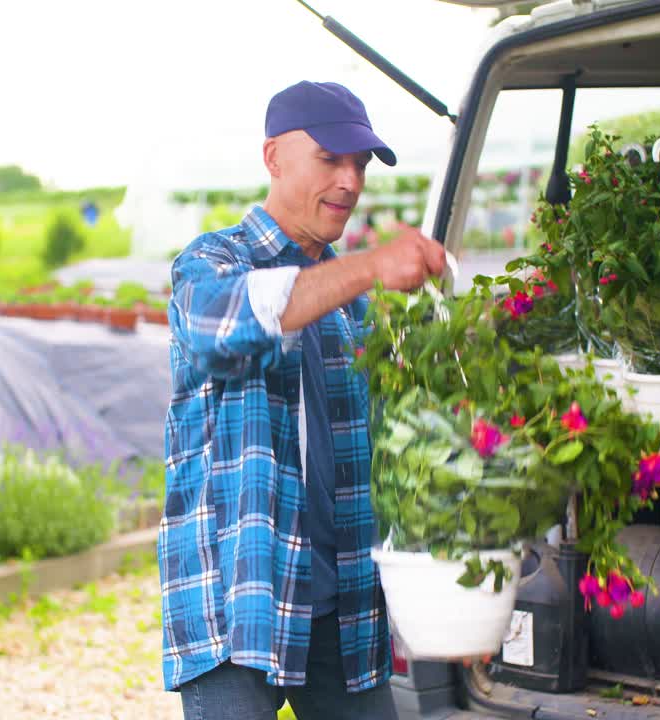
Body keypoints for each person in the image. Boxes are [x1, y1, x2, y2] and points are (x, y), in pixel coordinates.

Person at [159, 80, 446, 720]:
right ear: (273, 157)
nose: (349, 181)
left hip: (341, 602)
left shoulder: (355, 307)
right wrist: (370, 265)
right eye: (330, 159)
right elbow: (223, 324)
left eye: (360, 165)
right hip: (240, 596)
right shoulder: (210, 262)